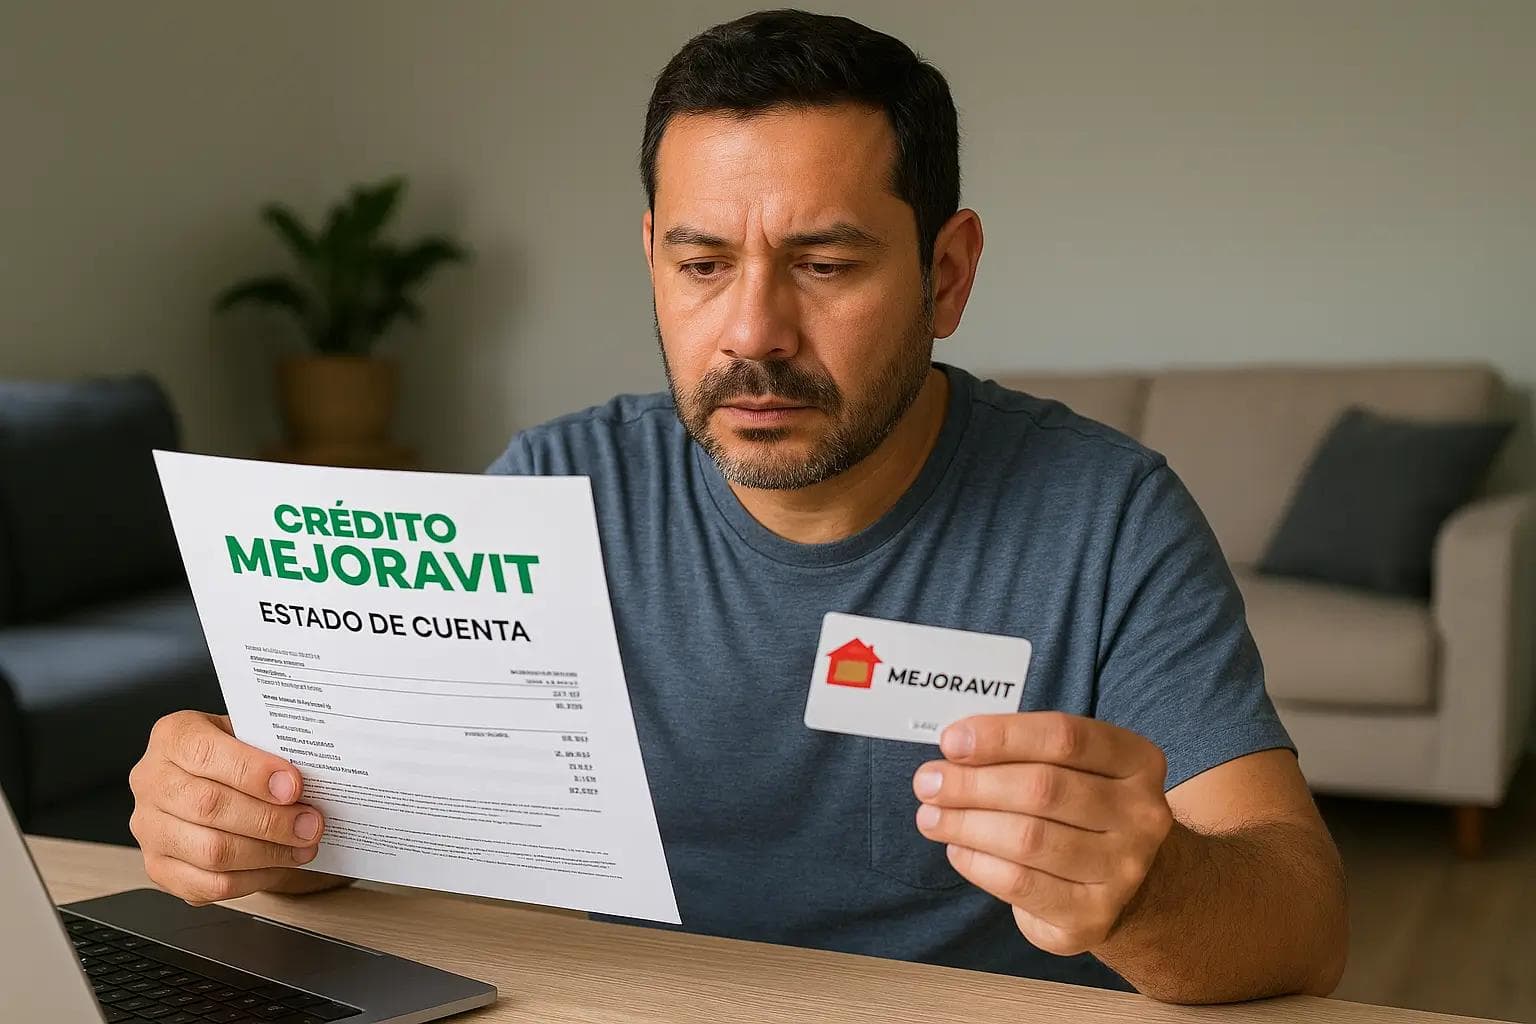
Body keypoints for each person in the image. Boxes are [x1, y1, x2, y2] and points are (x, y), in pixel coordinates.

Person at [128, 9, 1348, 1003]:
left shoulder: (1106, 516)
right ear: (652, 254)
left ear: (947, 272)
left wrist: (1154, 888)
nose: (754, 333)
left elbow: (1301, 918)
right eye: (703, 266)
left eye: (824, 265)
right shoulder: (557, 489)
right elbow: (353, 838)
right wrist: (248, 827)